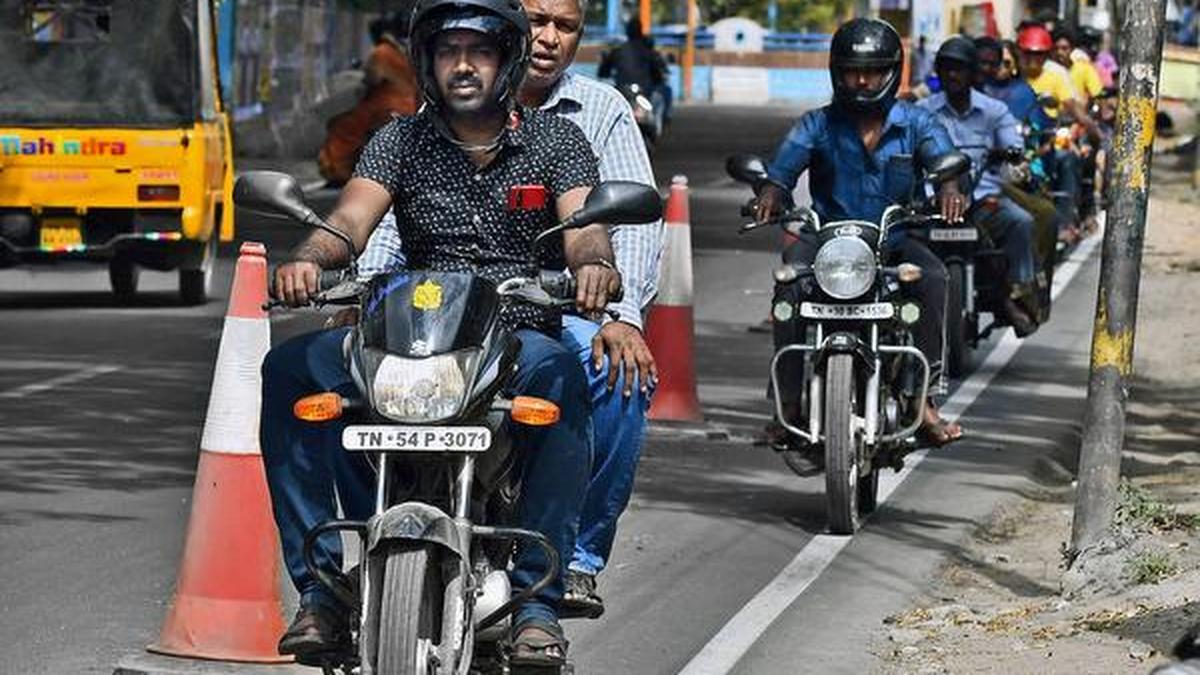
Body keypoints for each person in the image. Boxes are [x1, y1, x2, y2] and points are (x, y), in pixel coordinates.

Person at [261, 0, 622, 666]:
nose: (463, 65)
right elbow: (349, 220)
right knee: (289, 369)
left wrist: (594, 265)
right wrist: (309, 258)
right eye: (448, 50)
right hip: (411, 335)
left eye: (479, 50)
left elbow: (585, 226)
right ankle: (322, 591)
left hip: (513, 336)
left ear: (508, 60)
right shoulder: (399, 140)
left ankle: (536, 604)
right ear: (425, 62)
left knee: (563, 377)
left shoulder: (557, 143)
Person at [357, 0, 663, 621]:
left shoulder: (596, 113)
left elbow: (620, 229)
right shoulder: (437, 110)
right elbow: (387, 215)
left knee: (615, 377)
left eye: (565, 27)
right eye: (537, 22)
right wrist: (363, 295)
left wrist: (618, 314)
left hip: (552, 305)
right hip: (439, 307)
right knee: (342, 383)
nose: (549, 38)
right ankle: (357, 561)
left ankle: (571, 562)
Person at [757, 18, 968, 453]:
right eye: (852, 71)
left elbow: (944, 160)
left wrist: (949, 188)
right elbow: (782, 169)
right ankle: (788, 403)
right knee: (789, 283)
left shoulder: (917, 122)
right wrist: (771, 192)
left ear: (892, 72)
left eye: (872, 71)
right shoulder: (817, 123)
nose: (862, 81)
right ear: (837, 71)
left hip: (894, 242)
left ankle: (923, 399)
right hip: (827, 243)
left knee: (934, 279)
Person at [919, 36, 1039, 337]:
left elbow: (1013, 144)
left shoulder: (995, 111)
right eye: (946, 68)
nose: (952, 75)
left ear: (973, 73)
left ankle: (1017, 295)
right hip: (930, 205)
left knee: (1021, 222)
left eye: (959, 68)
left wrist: (1010, 152)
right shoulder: (922, 111)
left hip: (983, 202)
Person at [317, 13, 420, 185]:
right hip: (410, 105)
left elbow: (372, 79)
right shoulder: (408, 52)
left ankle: (337, 169)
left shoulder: (382, 53)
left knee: (343, 125)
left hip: (384, 105)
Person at [1017, 23, 1098, 239]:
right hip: (1013, 139)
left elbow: (1073, 106)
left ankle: (1064, 222)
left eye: (1039, 54)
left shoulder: (1057, 75)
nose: (1033, 59)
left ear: (1046, 55)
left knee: (1067, 159)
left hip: (1046, 138)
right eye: (1028, 53)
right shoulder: (1012, 75)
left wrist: (1092, 129)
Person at [597, 18, 672, 126]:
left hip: (624, 91)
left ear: (627, 32)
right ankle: (663, 120)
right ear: (641, 31)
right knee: (664, 92)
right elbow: (657, 69)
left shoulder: (618, 50)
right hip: (642, 91)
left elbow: (603, 71)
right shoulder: (648, 50)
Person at [977, 37, 1047, 127]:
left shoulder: (1024, 91)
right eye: (997, 62)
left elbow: (1037, 124)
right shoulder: (979, 88)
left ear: (1015, 65)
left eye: (1006, 63)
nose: (1001, 67)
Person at [1052, 26, 1103, 106]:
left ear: (1072, 49)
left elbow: (1097, 94)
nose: (1059, 52)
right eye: (1056, 48)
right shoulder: (1047, 70)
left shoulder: (1084, 68)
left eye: (1064, 48)